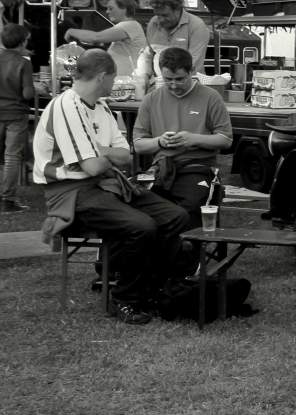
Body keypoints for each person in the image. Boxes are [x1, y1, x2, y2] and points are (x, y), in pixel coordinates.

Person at [33, 49, 189, 324]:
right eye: (114, 78)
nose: (115, 84)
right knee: (141, 226)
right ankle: (125, 298)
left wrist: (96, 151)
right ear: (103, 77)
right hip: (70, 192)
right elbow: (93, 167)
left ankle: (152, 287)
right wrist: (102, 156)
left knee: (175, 216)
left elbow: (125, 156)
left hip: (106, 184)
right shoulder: (66, 105)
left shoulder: (102, 107)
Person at [132, 47, 232, 229]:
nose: (173, 85)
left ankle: (186, 253)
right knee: (142, 211)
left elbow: (225, 140)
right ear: (160, 73)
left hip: (197, 168)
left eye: (180, 79)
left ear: (192, 71)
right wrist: (160, 141)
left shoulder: (211, 97)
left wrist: (193, 139)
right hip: (162, 168)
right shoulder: (151, 99)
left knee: (189, 209)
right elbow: (138, 145)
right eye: (167, 79)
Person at [0, 24, 45, 212]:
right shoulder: (23, 62)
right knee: (12, 156)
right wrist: (38, 88)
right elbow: (27, 94)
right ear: (23, 42)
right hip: (16, 114)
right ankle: (7, 199)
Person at [64, 0, 147, 76]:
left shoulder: (129, 25)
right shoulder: (128, 26)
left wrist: (71, 31)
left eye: (111, 8)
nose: (107, 12)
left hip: (129, 83)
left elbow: (96, 37)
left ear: (124, 8)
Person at [146, 0, 210, 74]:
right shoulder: (153, 23)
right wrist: (144, 75)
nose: (160, 19)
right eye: (157, 14)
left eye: (165, 15)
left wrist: (169, 80)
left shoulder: (197, 26)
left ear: (178, 9)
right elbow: (148, 55)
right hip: (158, 82)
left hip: (187, 82)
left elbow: (193, 62)